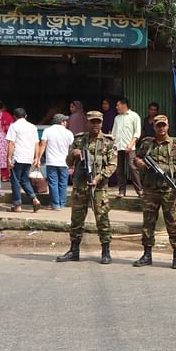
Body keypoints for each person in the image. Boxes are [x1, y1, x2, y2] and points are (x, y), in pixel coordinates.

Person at [55, 111, 118, 264]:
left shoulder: (108, 142)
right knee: (76, 220)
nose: (95, 124)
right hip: (80, 187)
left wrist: (98, 178)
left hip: (99, 188)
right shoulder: (79, 140)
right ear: (87, 123)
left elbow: (113, 165)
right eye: (92, 122)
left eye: (98, 122)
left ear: (102, 123)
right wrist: (74, 153)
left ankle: (106, 251)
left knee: (102, 220)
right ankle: (74, 250)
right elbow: (68, 162)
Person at [133, 115, 176, 269]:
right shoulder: (146, 143)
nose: (161, 128)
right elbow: (136, 159)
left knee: (173, 224)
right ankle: (147, 255)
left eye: (163, 125)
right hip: (150, 190)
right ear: (154, 127)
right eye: (158, 126)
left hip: (169, 191)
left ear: (168, 126)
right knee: (148, 223)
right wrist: (141, 163)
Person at [5, 108, 41, 213]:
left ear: (14, 117)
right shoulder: (33, 127)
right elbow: (36, 143)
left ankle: (17, 205)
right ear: (26, 116)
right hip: (28, 157)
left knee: (15, 180)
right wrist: (36, 158)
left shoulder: (14, 126)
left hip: (17, 156)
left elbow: (11, 143)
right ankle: (34, 199)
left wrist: (8, 158)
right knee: (24, 180)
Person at [38, 114, 74, 210]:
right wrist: (72, 162)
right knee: (63, 183)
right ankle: (62, 204)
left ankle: (55, 204)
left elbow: (43, 145)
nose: (66, 122)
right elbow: (72, 148)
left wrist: (38, 158)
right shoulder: (69, 133)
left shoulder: (47, 131)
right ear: (62, 122)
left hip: (51, 161)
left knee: (53, 183)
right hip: (64, 162)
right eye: (65, 121)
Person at [112, 97, 143, 197]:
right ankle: (122, 191)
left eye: (118, 105)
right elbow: (114, 133)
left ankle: (139, 190)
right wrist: (113, 146)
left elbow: (137, 132)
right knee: (119, 170)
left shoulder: (134, 116)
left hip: (130, 147)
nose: (116, 107)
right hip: (118, 147)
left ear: (124, 104)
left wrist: (131, 144)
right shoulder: (117, 118)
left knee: (133, 168)